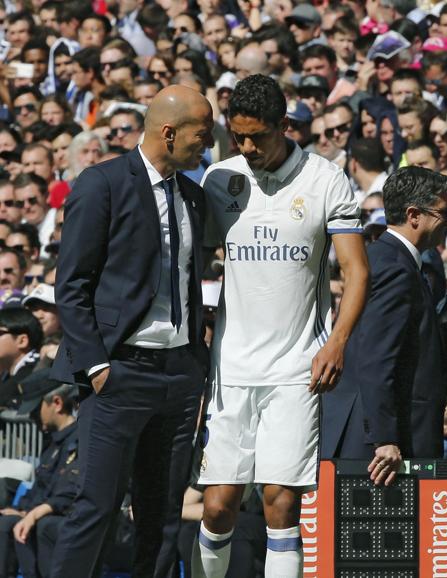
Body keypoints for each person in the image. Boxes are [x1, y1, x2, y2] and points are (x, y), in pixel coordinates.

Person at [192, 74, 369, 578]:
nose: (246, 147)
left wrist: (337, 342)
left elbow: (356, 270)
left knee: (280, 503)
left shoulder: (325, 179)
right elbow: (194, 265)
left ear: (284, 126)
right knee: (217, 506)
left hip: (296, 367)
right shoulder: (219, 179)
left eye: (257, 137)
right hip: (230, 367)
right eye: (237, 136)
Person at [49, 84, 214, 578]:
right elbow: (72, 284)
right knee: (96, 507)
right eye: (200, 135)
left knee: (162, 517)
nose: (205, 146)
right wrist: (98, 367)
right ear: (169, 133)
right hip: (121, 372)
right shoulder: (102, 184)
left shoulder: (194, 196)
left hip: (180, 376)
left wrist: (196, 369)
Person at [322, 167, 447, 485]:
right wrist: (385, 437)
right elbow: (377, 356)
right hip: (380, 451)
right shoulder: (396, 269)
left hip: (375, 437)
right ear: (414, 215)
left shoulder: (383, 259)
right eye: (443, 213)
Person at [0, 375, 78, 578]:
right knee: (6, 519)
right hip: (39, 514)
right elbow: (40, 487)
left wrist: (30, 515)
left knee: (27, 526)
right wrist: (18, 510)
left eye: (36, 410)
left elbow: (66, 494)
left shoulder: (78, 441)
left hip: (59, 519)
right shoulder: (52, 443)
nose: (34, 417)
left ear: (57, 403)